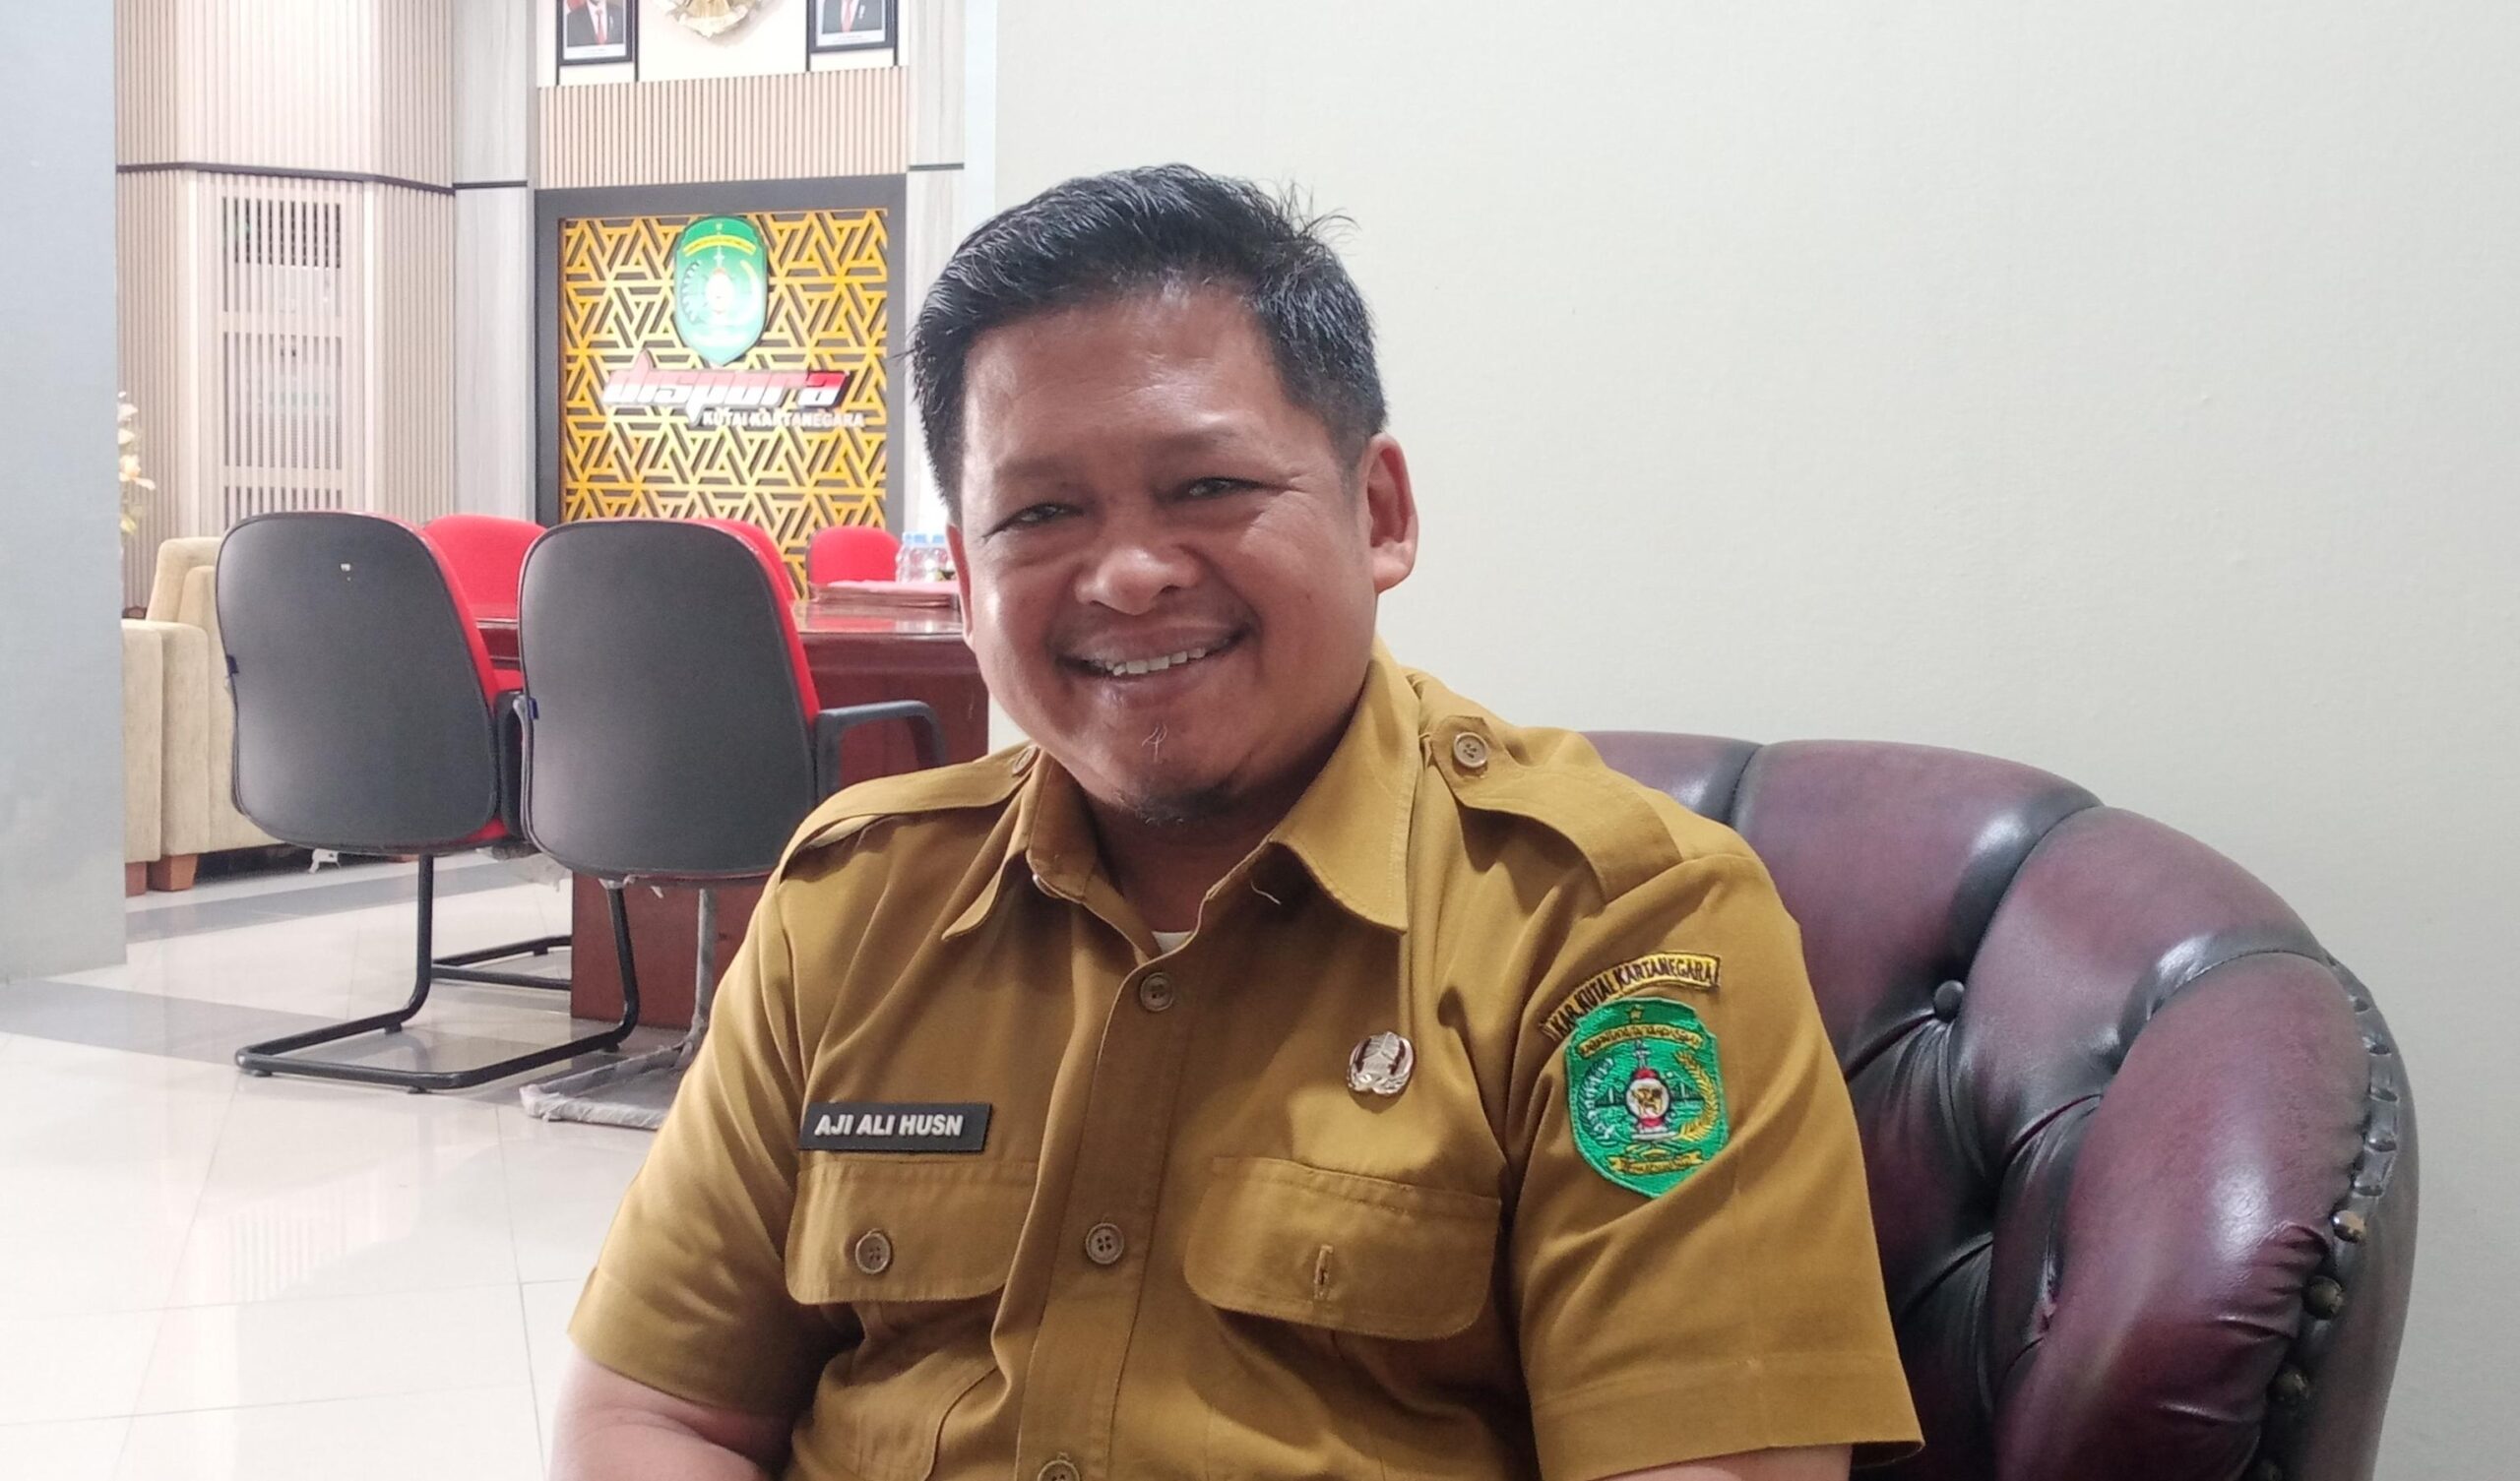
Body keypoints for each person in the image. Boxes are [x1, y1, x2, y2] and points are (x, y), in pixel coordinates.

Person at [549, 165, 1922, 1480]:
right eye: (1041, 512)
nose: (1130, 574)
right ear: (966, 577)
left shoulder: (1617, 926)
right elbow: (652, 1412)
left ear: (1378, 512)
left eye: (1207, 487)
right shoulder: (853, 902)